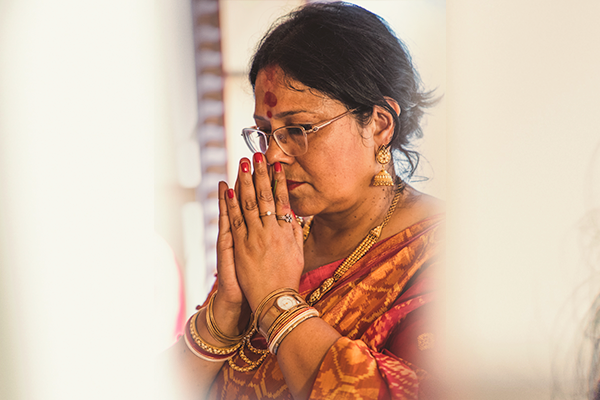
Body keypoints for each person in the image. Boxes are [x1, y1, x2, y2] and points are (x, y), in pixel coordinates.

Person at [162, 2, 444, 399]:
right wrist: (224, 316)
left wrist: (276, 304)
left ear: (379, 125)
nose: (274, 154)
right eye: (265, 131)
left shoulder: (445, 255)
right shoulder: (273, 237)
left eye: (298, 128)